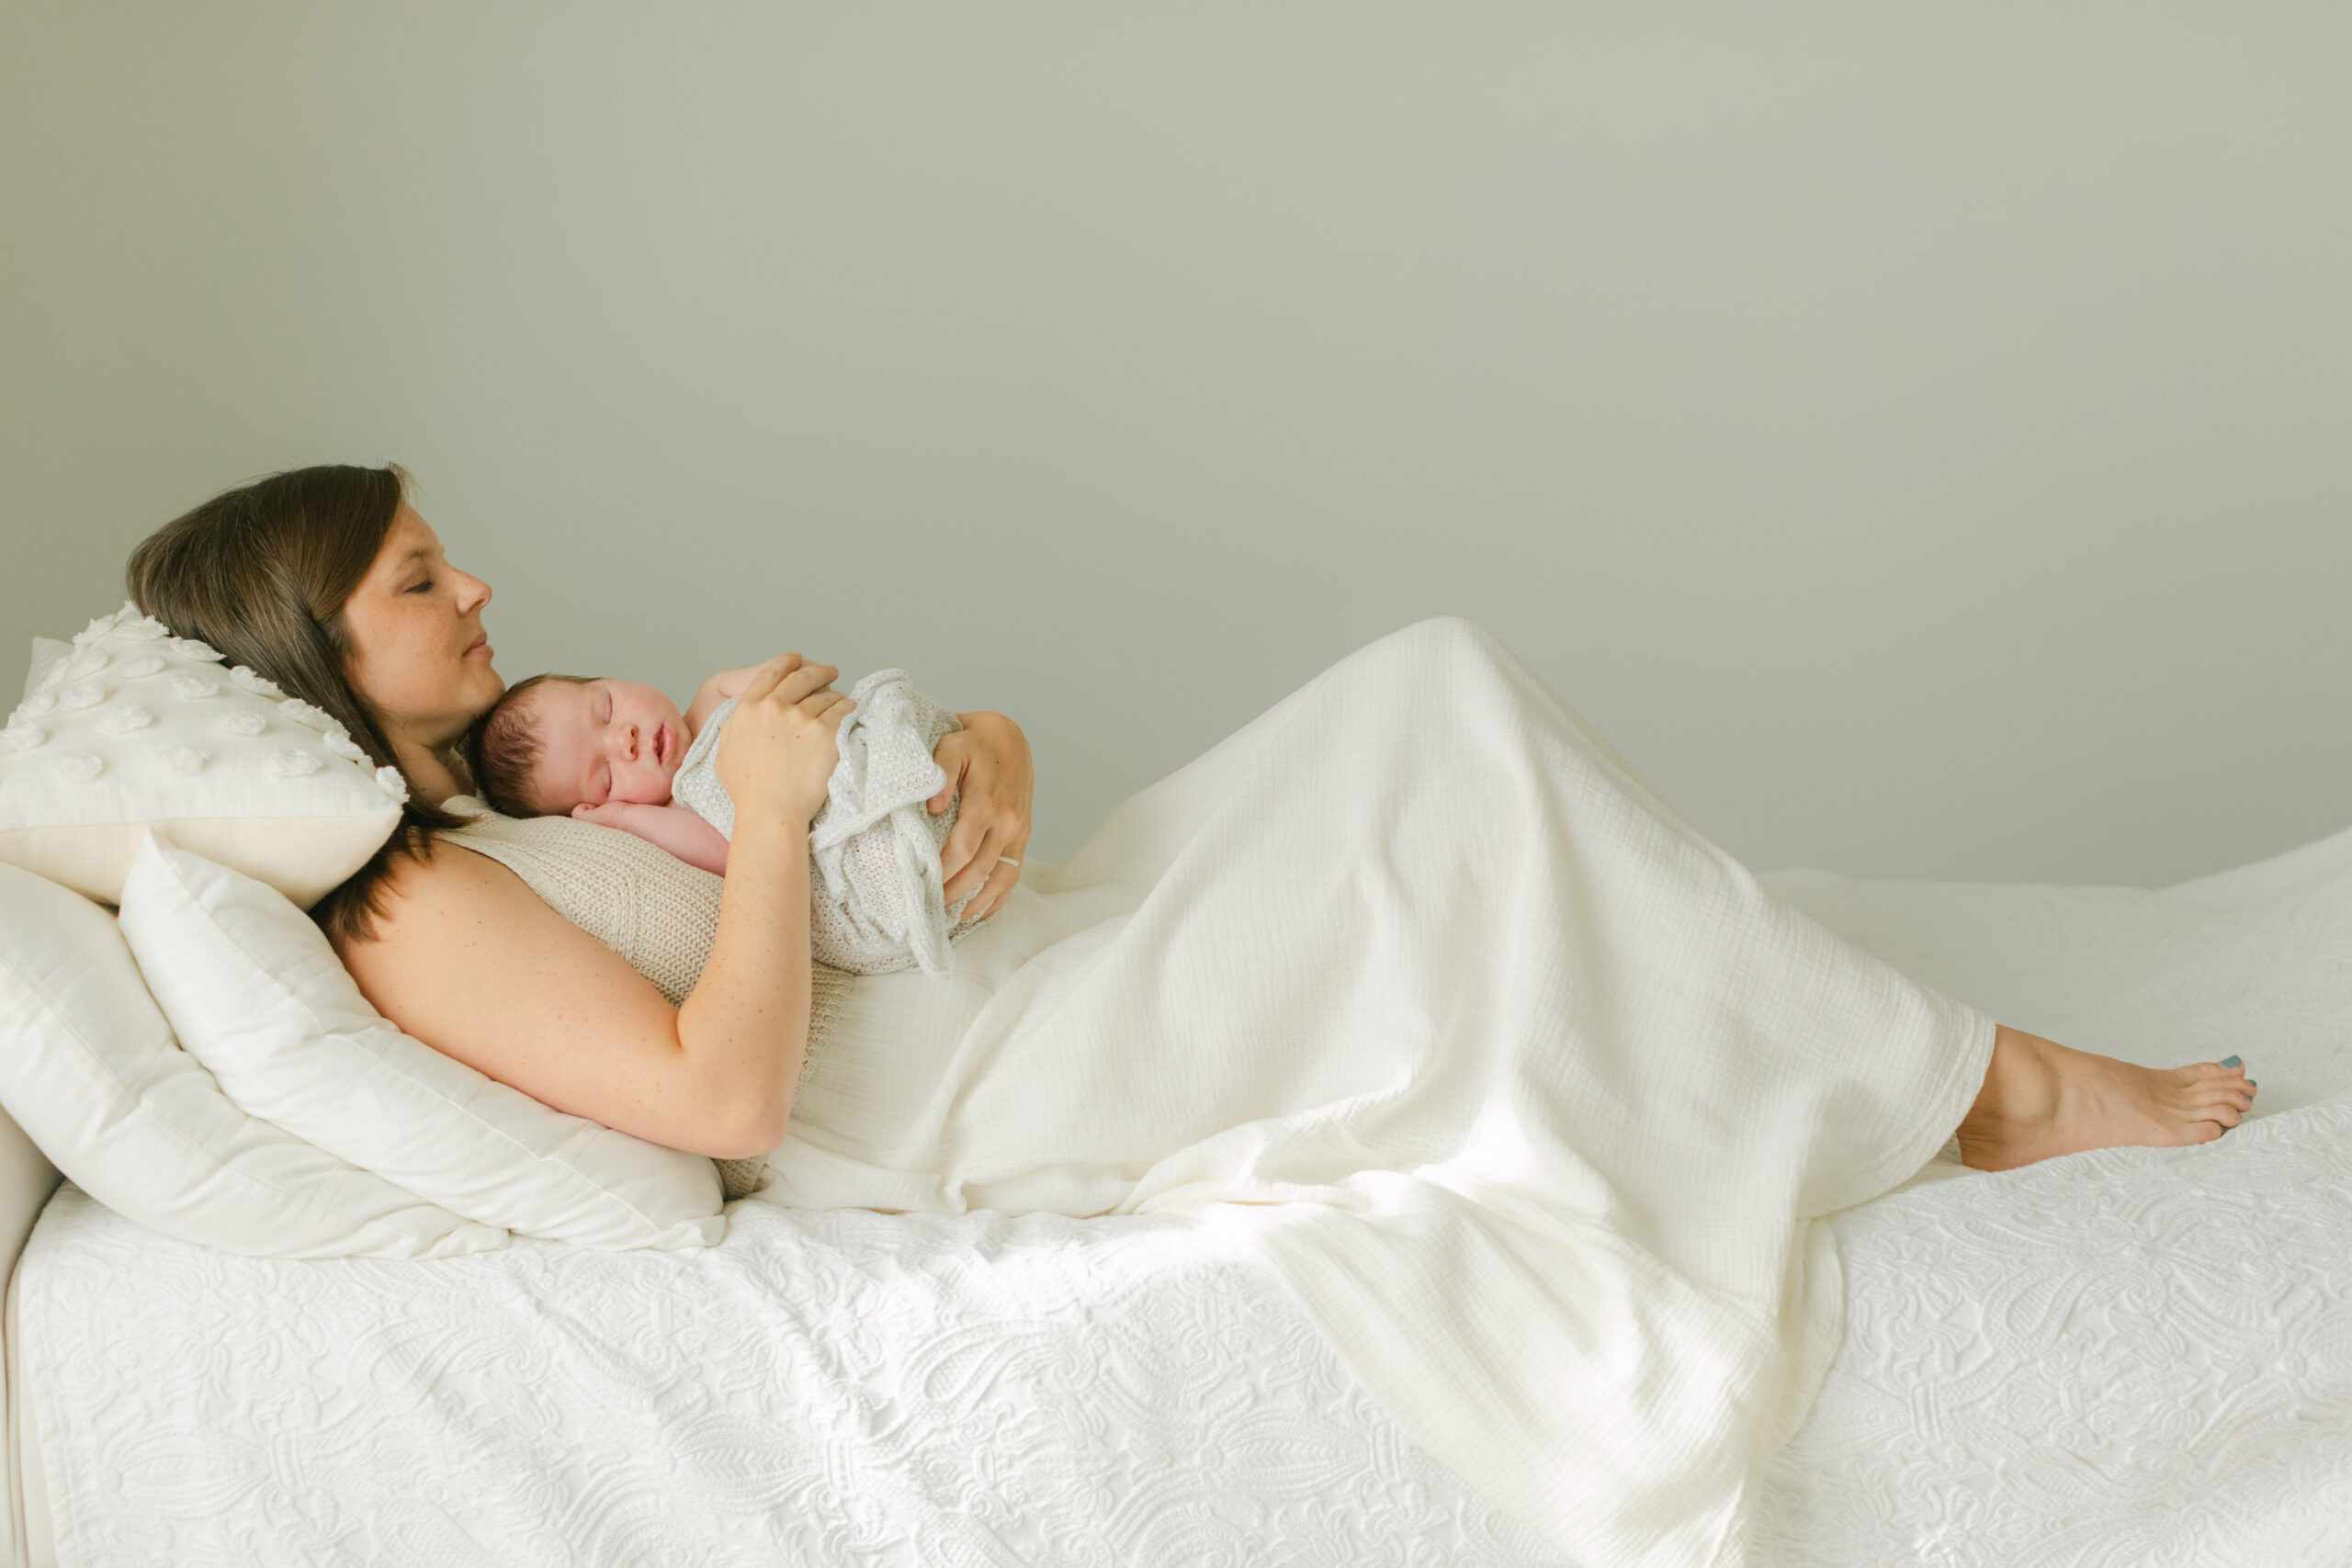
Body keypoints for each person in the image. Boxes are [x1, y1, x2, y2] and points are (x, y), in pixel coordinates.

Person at [124, 460, 2257, 1562]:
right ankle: (1984, 1079)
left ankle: (1928, 1059)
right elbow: (722, 1084)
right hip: (961, 1079)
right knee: (1443, 738)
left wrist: (991, 755)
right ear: (322, 644)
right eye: (417, 576)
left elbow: (848, 782)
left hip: (1008, 951)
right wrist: (767, 817)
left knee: (1427, 689)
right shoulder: (409, 910)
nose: (475, 583)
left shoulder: (509, 760)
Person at [460, 664, 996, 976]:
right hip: (851, 846)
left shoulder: (714, 695)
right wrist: (629, 819)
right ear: (594, 811)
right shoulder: (676, 814)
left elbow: (816, 694)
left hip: (879, 766)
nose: (622, 739)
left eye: (605, 708)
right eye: (604, 776)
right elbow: (739, 855)